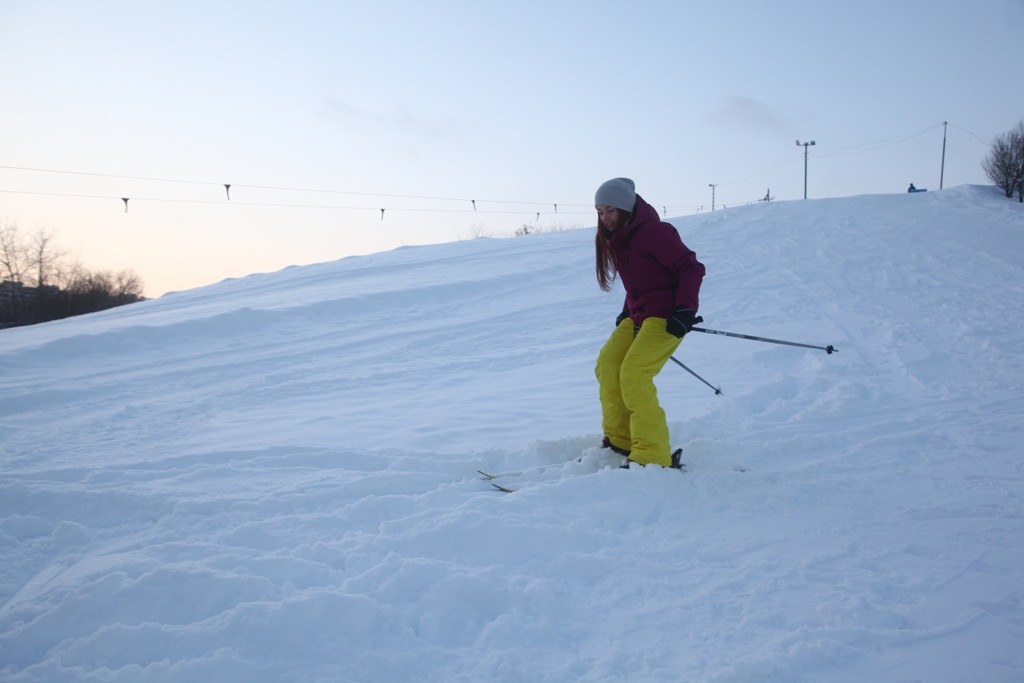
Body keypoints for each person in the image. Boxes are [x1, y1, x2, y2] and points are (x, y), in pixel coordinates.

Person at [593, 178, 705, 468]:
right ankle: (622, 439)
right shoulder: (619, 240)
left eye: (610, 211)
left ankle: (652, 453)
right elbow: (639, 283)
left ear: (625, 208)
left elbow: (690, 268)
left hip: (668, 315)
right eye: (600, 212)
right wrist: (627, 310)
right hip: (638, 313)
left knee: (634, 372)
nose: (605, 218)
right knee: (608, 364)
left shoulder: (656, 233)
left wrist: (685, 310)